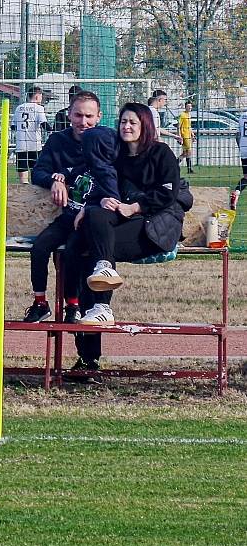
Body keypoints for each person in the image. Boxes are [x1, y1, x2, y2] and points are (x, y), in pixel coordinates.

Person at [65, 102, 189, 371]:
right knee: (88, 235)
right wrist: (92, 205)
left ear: (145, 126)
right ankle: (88, 356)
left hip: (155, 226)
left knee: (95, 252)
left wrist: (134, 207)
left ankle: (101, 307)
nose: (127, 126)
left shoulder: (161, 153)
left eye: (133, 122)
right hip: (124, 219)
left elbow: (169, 193)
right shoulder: (117, 155)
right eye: (123, 121)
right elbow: (105, 185)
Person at [21, 90, 118, 324]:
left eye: (89, 116)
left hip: (93, 219)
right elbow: (38, 172)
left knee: (72, 252)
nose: (83, 122)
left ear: (99, 117)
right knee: (40, 247)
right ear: (69, 115)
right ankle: (40, 303)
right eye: (78, 115)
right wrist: (54, 182)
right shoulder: (58, 141)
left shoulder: (107, 142)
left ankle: (72, 305)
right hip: (68, 213)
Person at [13, 87, 48, 173]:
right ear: (37, 97)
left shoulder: (19, 108)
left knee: (23, 175)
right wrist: (52, 132)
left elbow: (13, 126)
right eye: (41, 96)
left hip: (21, 145)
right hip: (34, 145)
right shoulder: (39, 108)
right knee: (36, 173)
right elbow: (44, 124)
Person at [177, 101, 194, 173]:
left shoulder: (189, 115)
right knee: (189, 152)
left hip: (188, 135)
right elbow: (178, 126)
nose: (189, 108)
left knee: (185, 153)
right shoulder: (182, 115)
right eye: (188, 106)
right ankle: (189, 169)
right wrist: (179, 136)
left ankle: (175, 163)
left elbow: (189, 126)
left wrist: (192, 134)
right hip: (184, 136)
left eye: (190, 106)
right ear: (185, 107)